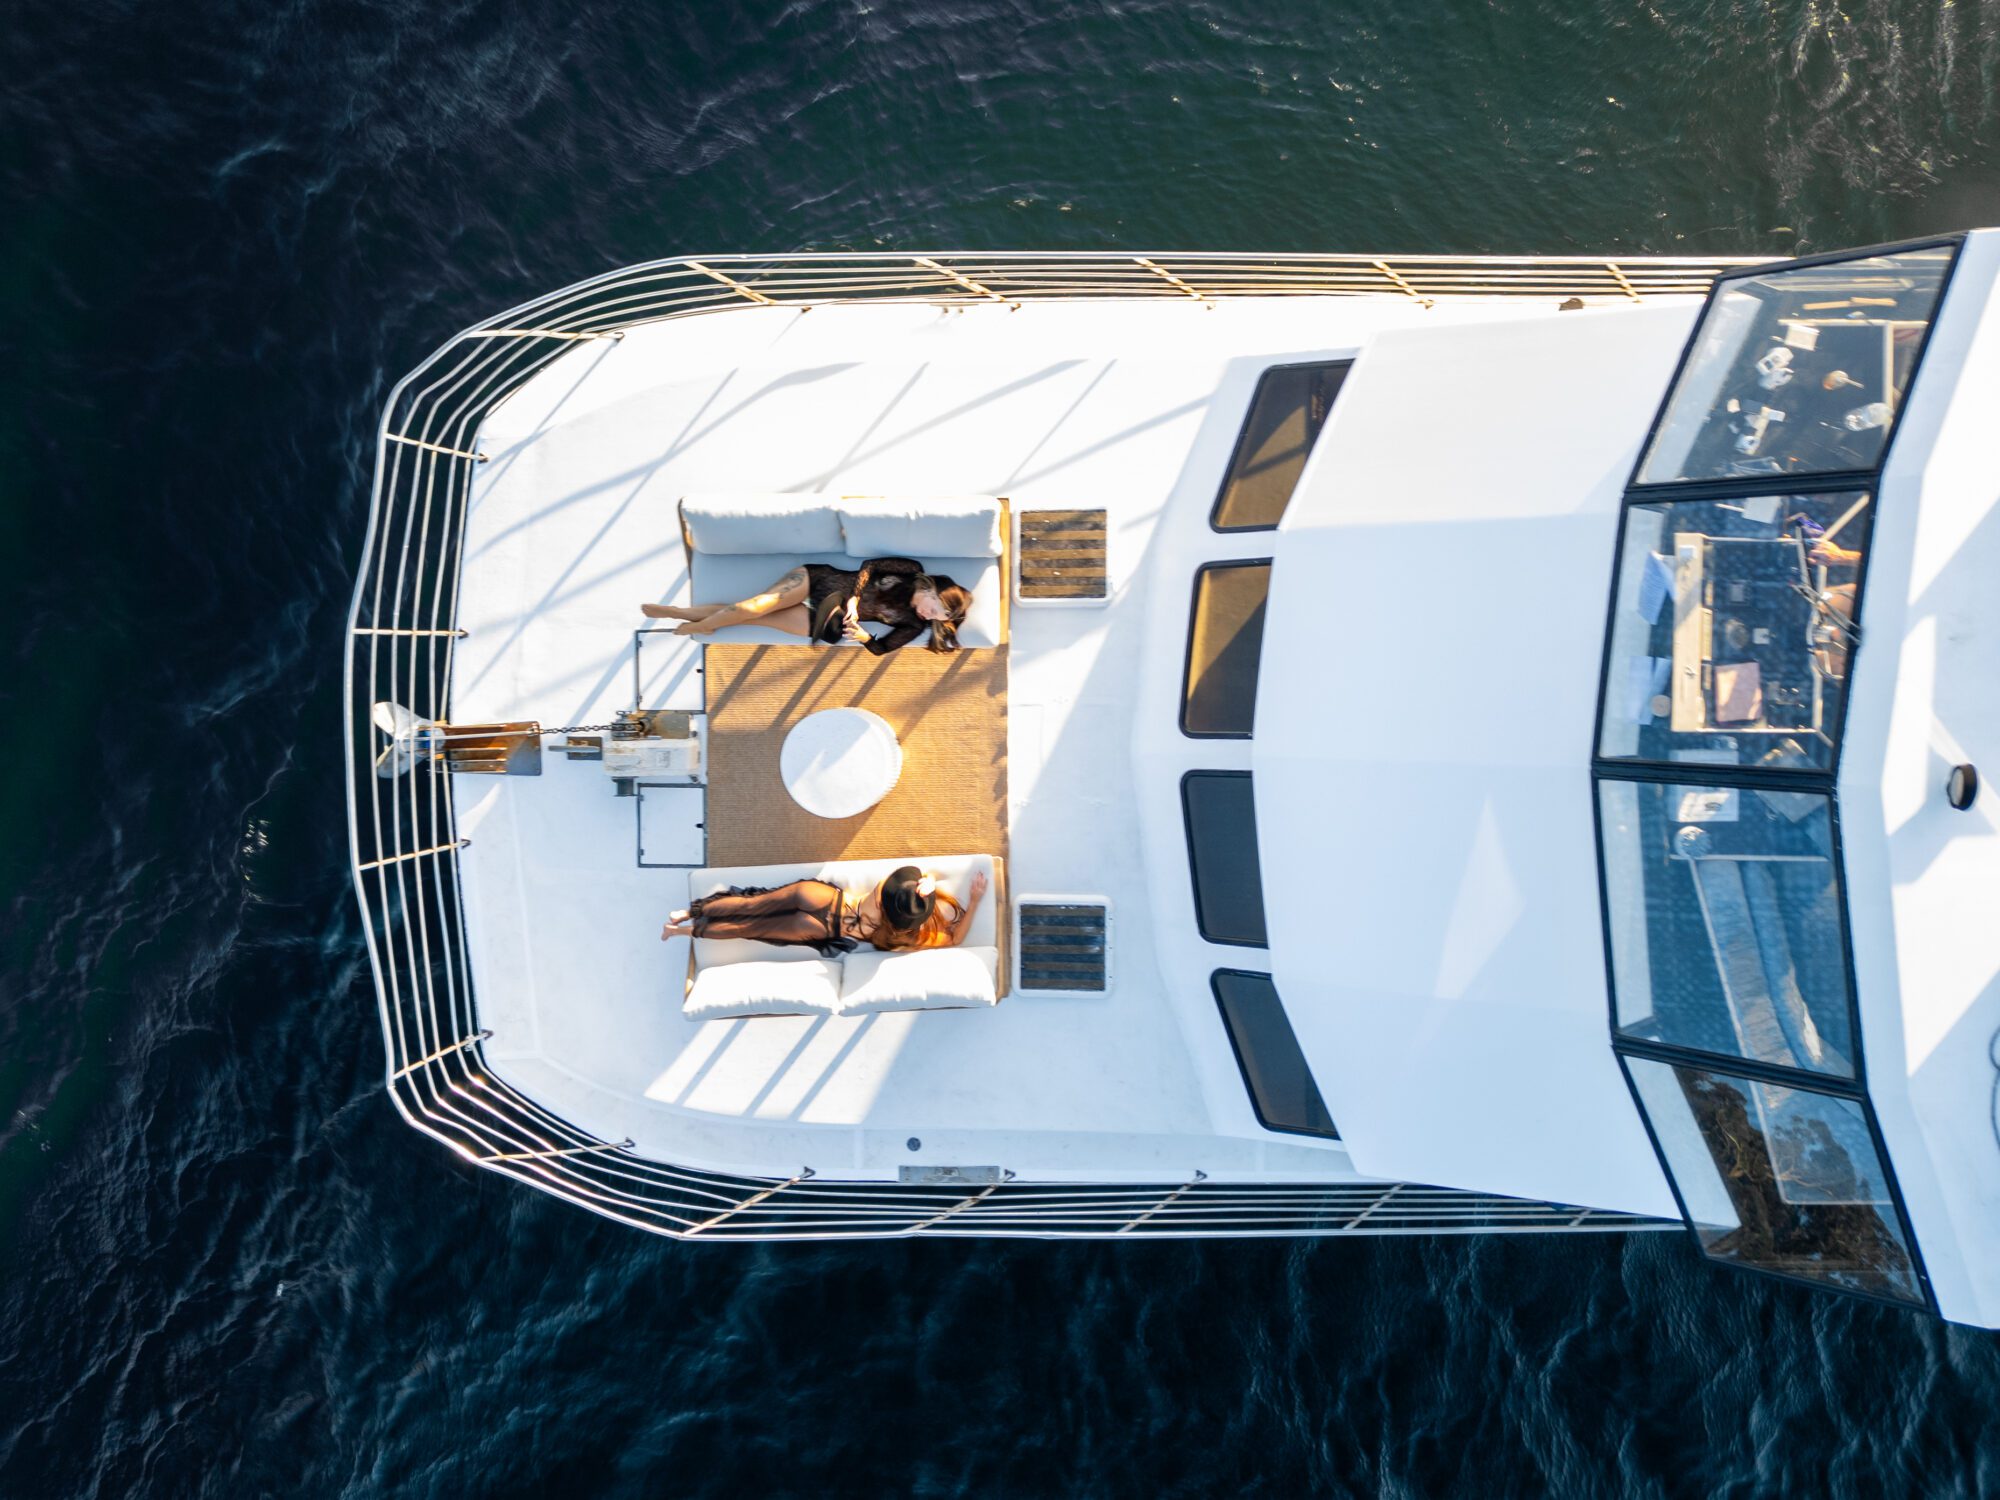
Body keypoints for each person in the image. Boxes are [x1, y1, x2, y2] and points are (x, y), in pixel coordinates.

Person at [642, 558, 972, 655]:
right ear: (931, 590)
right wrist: (856, 600)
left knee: (758, 619)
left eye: (937, 618)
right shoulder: (911, 571)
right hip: (821, 581)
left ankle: (684, 615)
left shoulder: (913, 626)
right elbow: (869, 566)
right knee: (759, 606)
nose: (929, 616)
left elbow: (881, 648)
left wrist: (860, 635)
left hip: (826, 617)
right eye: (935, 608)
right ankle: (696, 624)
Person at [660, 865, 989, 954]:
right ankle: (681, 932)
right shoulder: (900, 933)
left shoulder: (887, 886)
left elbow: (915, 876)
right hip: (823, 929)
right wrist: (973, 903)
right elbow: (955, 938)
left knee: (751, 904)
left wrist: (929, 880)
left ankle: (686, 912)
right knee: (749, 928)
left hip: (821, 898)